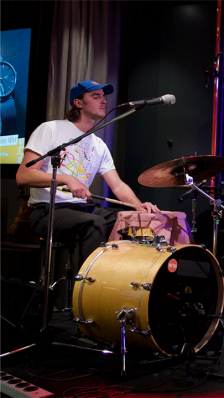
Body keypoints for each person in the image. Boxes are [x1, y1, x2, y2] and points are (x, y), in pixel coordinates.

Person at [16, 80, 160, 270]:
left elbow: (117, 185)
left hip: (82, 210)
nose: (104, 101)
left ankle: (120, 280)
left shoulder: (99, 144)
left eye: (103, 96)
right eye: (96, 96)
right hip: (47, 211)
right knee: (94, 224)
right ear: (78, 103)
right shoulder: (51, 129)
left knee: (131, 220)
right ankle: (84, 289)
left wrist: (138, 206)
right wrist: (66, 178)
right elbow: (23, 176)